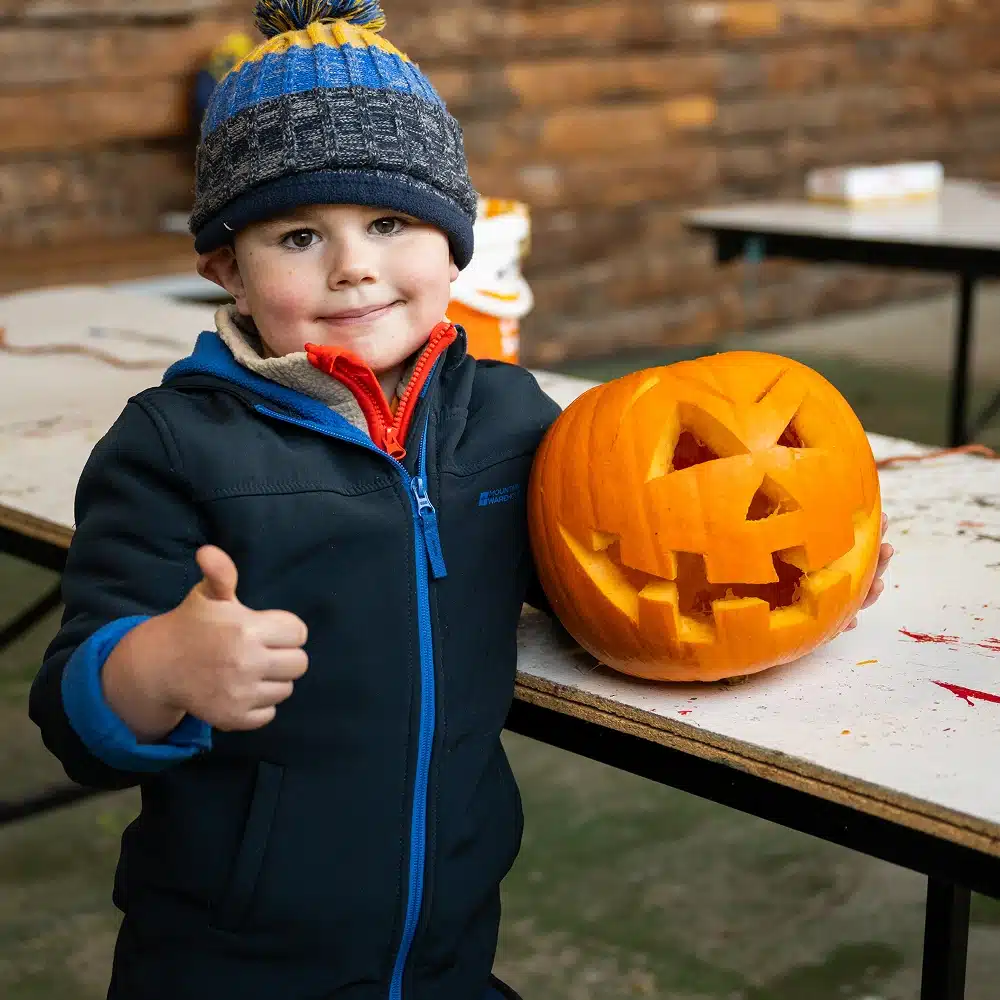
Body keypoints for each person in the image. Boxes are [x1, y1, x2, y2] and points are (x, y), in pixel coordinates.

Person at [28, 2, 892, 998]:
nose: (354, 265)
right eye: (300, 234)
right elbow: (72, 711)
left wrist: (800, 564)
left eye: (390, 223)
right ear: (225, 265)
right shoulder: (173, 445)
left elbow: (603, 558)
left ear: (453, 245)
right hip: (228, 957)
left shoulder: (510, 418)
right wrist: (156, 667)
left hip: (447, 945)